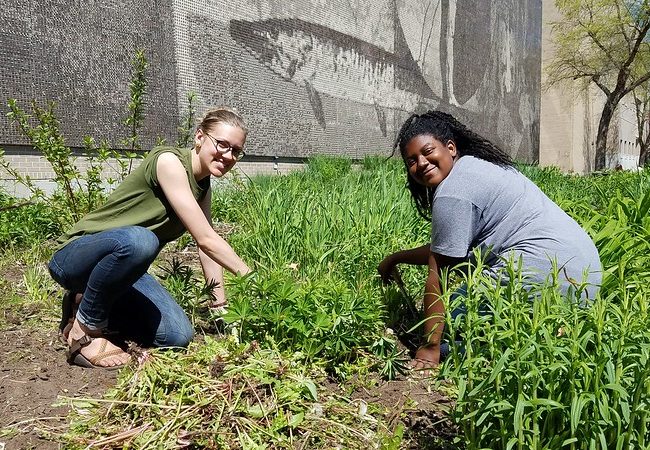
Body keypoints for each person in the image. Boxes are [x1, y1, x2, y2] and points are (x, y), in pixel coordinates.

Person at [377, 111, 601, 371]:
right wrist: (396, 258)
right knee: (456, 317)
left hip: (543, 273)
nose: (422, 163)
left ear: (450, 148)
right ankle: (548, 333)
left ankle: (506, 351)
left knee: (451, 326)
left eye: (428, 152)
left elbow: (437, 274)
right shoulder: (478, 166)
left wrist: (429, 349)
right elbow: (447, 250)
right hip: (585, 278)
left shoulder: (454, 192)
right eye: (412, 161)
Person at [48, 106, 251, 369]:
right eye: (222, 144)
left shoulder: (203, 188)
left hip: (124, 269)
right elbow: (205, 239)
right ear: (200, 137)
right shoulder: (168, 162)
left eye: (236, 151)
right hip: (75, 257)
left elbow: (206, 245)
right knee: (141, 240)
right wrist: (250, 276)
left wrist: (219, 305)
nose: (228, 155)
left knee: (177, 335)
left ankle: (82, 300)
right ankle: (85, 330)